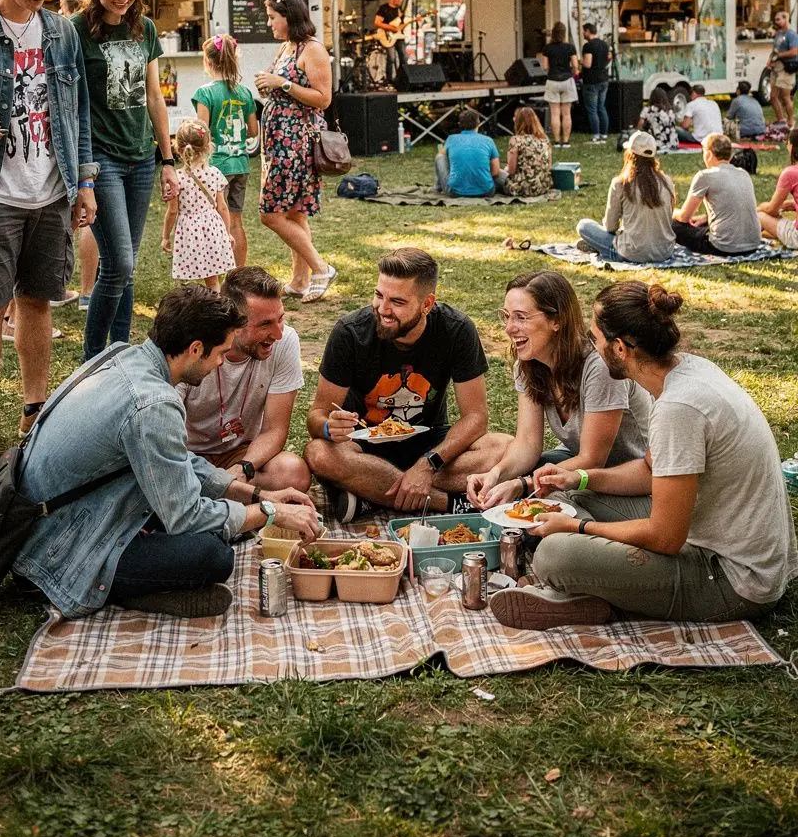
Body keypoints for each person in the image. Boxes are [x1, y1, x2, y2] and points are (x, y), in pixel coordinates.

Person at [489, 282, 798, 629]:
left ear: (620, 348)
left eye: (595, 339)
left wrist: (578, 527)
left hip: (735, 578)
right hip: (701, 535)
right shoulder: (686, 371)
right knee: (562, 498)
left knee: (554, 554)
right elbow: (650, 470)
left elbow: (665, 537)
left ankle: (604, 599)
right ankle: (597, 594)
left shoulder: (679, 407)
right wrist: (579, 477)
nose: (590, 347)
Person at [12, 286, 319, 620]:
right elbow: (185, 516)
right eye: (220, 353)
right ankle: (128, 594)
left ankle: (150, 582)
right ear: (196, 349)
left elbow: (178, 463)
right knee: (214, 554)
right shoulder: (154, 404)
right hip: (57, 552)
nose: (221, 363)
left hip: (63, 519)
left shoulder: (124, 356)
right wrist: (270, 512)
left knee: (221, 523)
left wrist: (256, 494)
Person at [0, 0, 97, 461]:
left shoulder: (61, 32)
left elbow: (79, 113)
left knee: (37, 302)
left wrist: (86, 183)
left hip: (52, 192)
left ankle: (34, 410)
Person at [304, 247, 508, 522]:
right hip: (363, 447)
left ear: (427, 304)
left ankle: (369, 493)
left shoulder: (456, 329)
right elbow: (316, 416)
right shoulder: (350, 332)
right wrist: (329, 426)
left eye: (397, 302)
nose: (383, 309)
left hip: (429, 444)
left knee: (503, 447)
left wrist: (428, 464)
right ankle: (448, 503)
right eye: (379, 295)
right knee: (318, 453)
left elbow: (476, 417)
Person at [71, 0, 178, 359]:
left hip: (141, 158)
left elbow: (154, 96)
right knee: (120, 264)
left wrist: (167, 159)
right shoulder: (75, 31)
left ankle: (119, 353)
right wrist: (82, 170)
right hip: (103, 159)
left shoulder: (144, 29)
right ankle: (92, 358)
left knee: (126, 265)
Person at [467, 271, 651, 514]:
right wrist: (496, 474)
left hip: (636, 480)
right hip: (584, 471)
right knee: (528, 471)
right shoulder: (528, 365)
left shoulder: (599, 366)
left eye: (521, 317)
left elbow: (592, 458)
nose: (509, 328)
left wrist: (523, 484)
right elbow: (527, 443)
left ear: (557, 320)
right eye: (507, 316)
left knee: (549, 498)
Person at [180, 266, 310, 492]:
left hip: (241, 453)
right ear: (235, 326)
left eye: (280, 319)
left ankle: (210, 497)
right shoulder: (195, 346)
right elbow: (164, 437)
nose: (278, 334)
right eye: (265, 324)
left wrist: (243, 468)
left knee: (293, 474)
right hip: (188, 455)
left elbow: (275, 429)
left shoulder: (285, 340)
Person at [254, 0, 335, 303]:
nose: (269, 23)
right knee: (295, 212)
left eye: (273, 18)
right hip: (278, 138)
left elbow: (323, 98)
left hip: (296, 142)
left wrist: (283, 84)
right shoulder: (287, 47)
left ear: (289, 17)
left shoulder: (313, 49)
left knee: (271, 214)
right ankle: (300, 280)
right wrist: (269, 85)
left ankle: (321, 268)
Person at [193, 33, 259, 266]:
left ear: (208, 61)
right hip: (240, 164)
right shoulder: (244, 92)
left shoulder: (205, 93)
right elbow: (253, 131)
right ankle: (238, 274)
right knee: (236, 221)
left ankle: (215, 272)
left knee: (214, 220)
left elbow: (201, 133)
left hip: (217, 166)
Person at [576, 131, 676, 263]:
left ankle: (600, 246)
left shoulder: (621, 183)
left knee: (583, 225)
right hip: (664, 252)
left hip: (631, 253)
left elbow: (610, 227)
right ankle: (600, 246)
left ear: (629, 154)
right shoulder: (667, 181)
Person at [60, 0, 99, 311]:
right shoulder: (92, 31)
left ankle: (81, 289)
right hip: (87, 135)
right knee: (82, 216)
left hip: (82, 136)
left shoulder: (71, 32)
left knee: (82, 217)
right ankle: (82, 289)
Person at [161, 119, 236, 290]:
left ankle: (200, 303)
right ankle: (216, 302)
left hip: (188, 231)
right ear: (208, 147)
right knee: (213, 280)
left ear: (178, 148)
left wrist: (165, 236)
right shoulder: (214, 173)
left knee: (191, 280)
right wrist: (227, 233)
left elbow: (172, 211)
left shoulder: (176, 179)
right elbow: (222, 207)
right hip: (213, 228)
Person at [673, 132, 761, 256]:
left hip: (723, 247)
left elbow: (684, 218)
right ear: (730, 155)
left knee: (673, 225)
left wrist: (671, 212)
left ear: (709, 154)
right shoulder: (743, 173)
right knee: (700, 223)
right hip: (753, 244)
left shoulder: (705, 176)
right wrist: (705, 218)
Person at [434, 107, 507, 196]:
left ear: (459, 124)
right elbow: (495, 171)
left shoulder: (451, 139)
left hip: (455, 192)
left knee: (440, 157)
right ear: (478, 124)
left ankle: (437, 187)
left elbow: (442, 157)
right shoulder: (488, 140)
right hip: (487, 191)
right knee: (500, 172)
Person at [539, 21, 579, 149]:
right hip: (567, 79)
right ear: (564, 33)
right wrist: (573, 72)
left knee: (555, 113)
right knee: (567, 113)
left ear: (553, 33)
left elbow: (545, 67)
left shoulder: (547, 48)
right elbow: (575, 65)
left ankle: (556, 141)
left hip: (552, 80)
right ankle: (566, 141)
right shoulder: (570, 47)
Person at [758, 126, 798, 250]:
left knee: (759, 215)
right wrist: (791, 204)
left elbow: (771, 209)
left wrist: (758, 208)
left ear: (792, 147)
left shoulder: (791, 173)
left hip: (796, 237)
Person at [506, 105, 553, 197]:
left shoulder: (516, 140)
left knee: (497, 175)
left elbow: (511, 170)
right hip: (544, 186)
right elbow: (549, 166)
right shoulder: (545, 140)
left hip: (522, 188)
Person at [580, 22, 611, 142]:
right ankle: (604, 134)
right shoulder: (604, 44)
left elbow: (588, 64)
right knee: (601, 107)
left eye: (583, 31)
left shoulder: (588, 46)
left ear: (588, 31)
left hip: (591, 80)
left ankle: (596, 134)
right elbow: (609, 58)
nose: (583, 33)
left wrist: (580, 61)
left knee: (592, 109)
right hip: (604, 79)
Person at [767, 9, 798, 129]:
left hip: (787, 68)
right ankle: (781, 119)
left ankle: (791, 121)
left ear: (786, 19)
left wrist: (779, 55)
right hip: (776, 67)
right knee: (773, 96)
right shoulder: (779, 33)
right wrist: (770, 59)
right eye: (775, 19)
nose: (776, 22)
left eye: (778, 19)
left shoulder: (792, 34)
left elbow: (795, 51)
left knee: (785, 97)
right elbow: (775, 50)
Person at [374, 0, 409, 81]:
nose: (401, 0)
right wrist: (391, 28)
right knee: (391, 58)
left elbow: (400, 25)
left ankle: (402, 78)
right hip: (387, 36)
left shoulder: (399, 10)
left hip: (399, 36)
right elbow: (377, 22)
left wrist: (410, 22)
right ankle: (389, 80)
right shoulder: (384, 8)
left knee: (404, 57)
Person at [637, 86, 679, 154]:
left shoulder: (648, 110)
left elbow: (640, 125)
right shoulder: (670, 110)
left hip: (657, 144)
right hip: (673, 143)